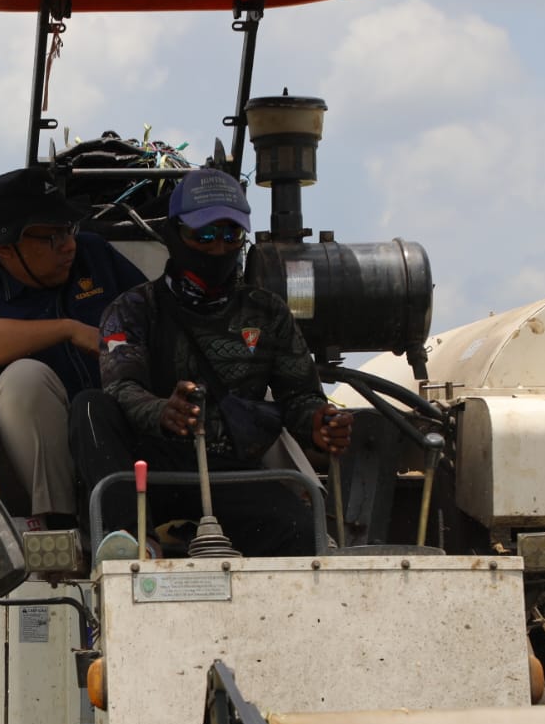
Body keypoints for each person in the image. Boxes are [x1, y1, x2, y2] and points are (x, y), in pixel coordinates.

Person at [70, 168, 352, 558]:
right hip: (147, 470)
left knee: (305, 536)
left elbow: (299, 397)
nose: (218, 248)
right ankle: (129, 542)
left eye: (230, 235)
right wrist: (162, 410)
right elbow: (121, 388)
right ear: (173, 235)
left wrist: (320, 421)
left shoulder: (267, 313)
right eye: (203, 236)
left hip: (229, 472)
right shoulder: (133, 309)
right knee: (89, 406)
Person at [0, 168, 146, 526]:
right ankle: (60, 524)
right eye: (51, 237)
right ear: (5, 248)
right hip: (45, 467)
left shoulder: (95, 256)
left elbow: (152, 315)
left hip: (124, 435)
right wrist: (67, 330)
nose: (68, 245)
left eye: (69, 229)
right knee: (24, 378)